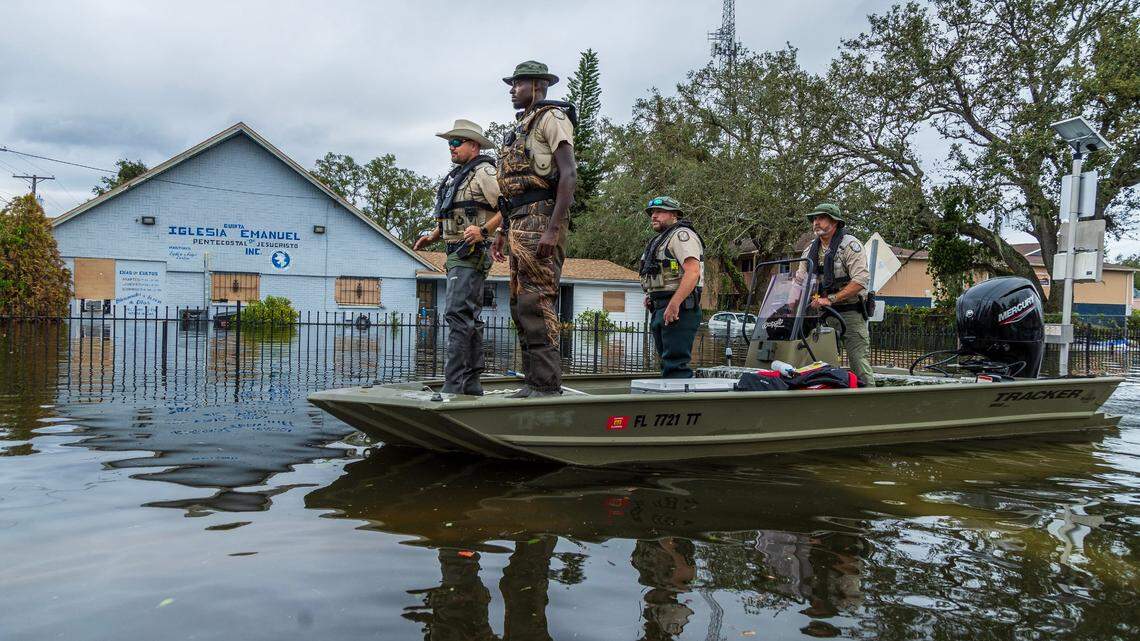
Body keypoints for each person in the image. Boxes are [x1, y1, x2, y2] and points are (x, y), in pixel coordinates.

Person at [489, 61, 577, 398]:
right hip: (518, 221)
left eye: (518, 84)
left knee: (536, 301)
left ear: (537, 86)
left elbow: (568, 174)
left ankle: (546, 384)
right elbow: (511, 189)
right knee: (518, 304)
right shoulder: (519, 127)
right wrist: (501, 231)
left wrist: (553, 230)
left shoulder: (551, 118)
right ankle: (532, 381)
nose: (512, 90)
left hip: (541, 218)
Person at [413, 119, 501, 395]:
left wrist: (485, 230)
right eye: (449, 143)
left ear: (473, 145)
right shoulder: (458, 176)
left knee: (457, 315)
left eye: (456, 142)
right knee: (468, 319)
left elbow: (507, 208)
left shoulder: (484, 173)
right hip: (454, 253)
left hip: (471, 254)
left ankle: (453, 386)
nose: (450, 148)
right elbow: (455, 214)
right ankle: (471, 384)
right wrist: (433, 236)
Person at [797, 203, 874, 385]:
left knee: (858, 362)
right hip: (821, 315)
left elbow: (861, 281)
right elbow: (801, 281)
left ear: (835, 222)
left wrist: (831, 299)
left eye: (821, 218)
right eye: (814, 219)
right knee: (818, 364)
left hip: (850, 313)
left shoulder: (850, 245)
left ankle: (869, 402)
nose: (816, 222)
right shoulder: (809, 250)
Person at [638, 196, 705, 378]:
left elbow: (692, 272)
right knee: (666, 363)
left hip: (679, 308)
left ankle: (680, 405)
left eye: (659, 212)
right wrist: (653, 294)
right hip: (661, 306)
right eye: (652, 212)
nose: (654, 216)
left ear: (674, 215)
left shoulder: (681, 235)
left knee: (675, 365)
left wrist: (674, 304)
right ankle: (670, 402)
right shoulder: (660, 240)